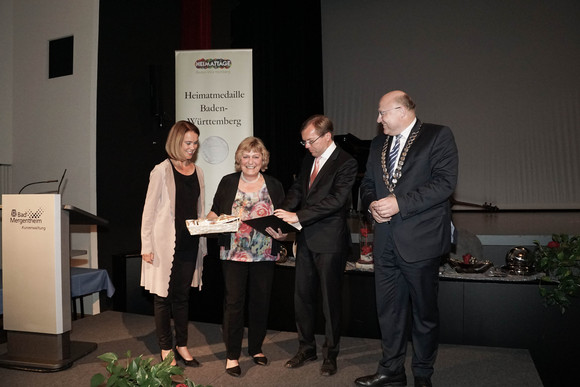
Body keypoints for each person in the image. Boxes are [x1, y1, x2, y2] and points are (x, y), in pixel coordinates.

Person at [355, 91, 458, 387]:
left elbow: (444, 183)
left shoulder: (437, 136)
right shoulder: (378, 144)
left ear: (401, 110)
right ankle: (391, 370)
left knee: (424, 315)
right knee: (389, 312)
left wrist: (400, 203)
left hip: (421, 242)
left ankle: (423, 375)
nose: (378, 119)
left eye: (382, 113)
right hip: (385, 241)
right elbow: (368, 185)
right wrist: (372, 204)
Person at [275, 114, 358, 377]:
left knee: (330, 301)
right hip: (306, 238)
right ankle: (306, 348)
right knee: (302, 298)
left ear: (327, 137)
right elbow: (297, 190)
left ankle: (330, 354)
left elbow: (337, 201)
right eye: (304, 142)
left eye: (310, 141)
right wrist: (281, 212)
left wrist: (298, 216)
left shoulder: (346, 162)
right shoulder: (308, 159)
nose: (307, 146)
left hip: (330, 241)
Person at [207, 137, 286, 377]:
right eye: (246, 156)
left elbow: (283, 218)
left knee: (260, 302)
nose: (250, 161)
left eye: (255, 156)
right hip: (233, 251)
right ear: (239, 159)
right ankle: (232, 355)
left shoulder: (274, 184)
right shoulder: (228, 182)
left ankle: (256, 348)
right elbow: (214, 210)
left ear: (263, 160)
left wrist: (283, 236)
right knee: (233, 303)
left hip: (264, 252)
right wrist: (210, 221)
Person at [140, 120, 207, 367]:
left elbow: (199, 208)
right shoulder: (161, 170)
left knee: (182, 297)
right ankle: (166, 348)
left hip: (190, 243)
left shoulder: (198, 171)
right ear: (176, 142)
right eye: (188, 142)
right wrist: (146, 245)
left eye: (195, 143)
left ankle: (182, 345)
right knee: (162, 298)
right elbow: (148, 211)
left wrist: (203, 239)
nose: (192, 147)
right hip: (164, 245)